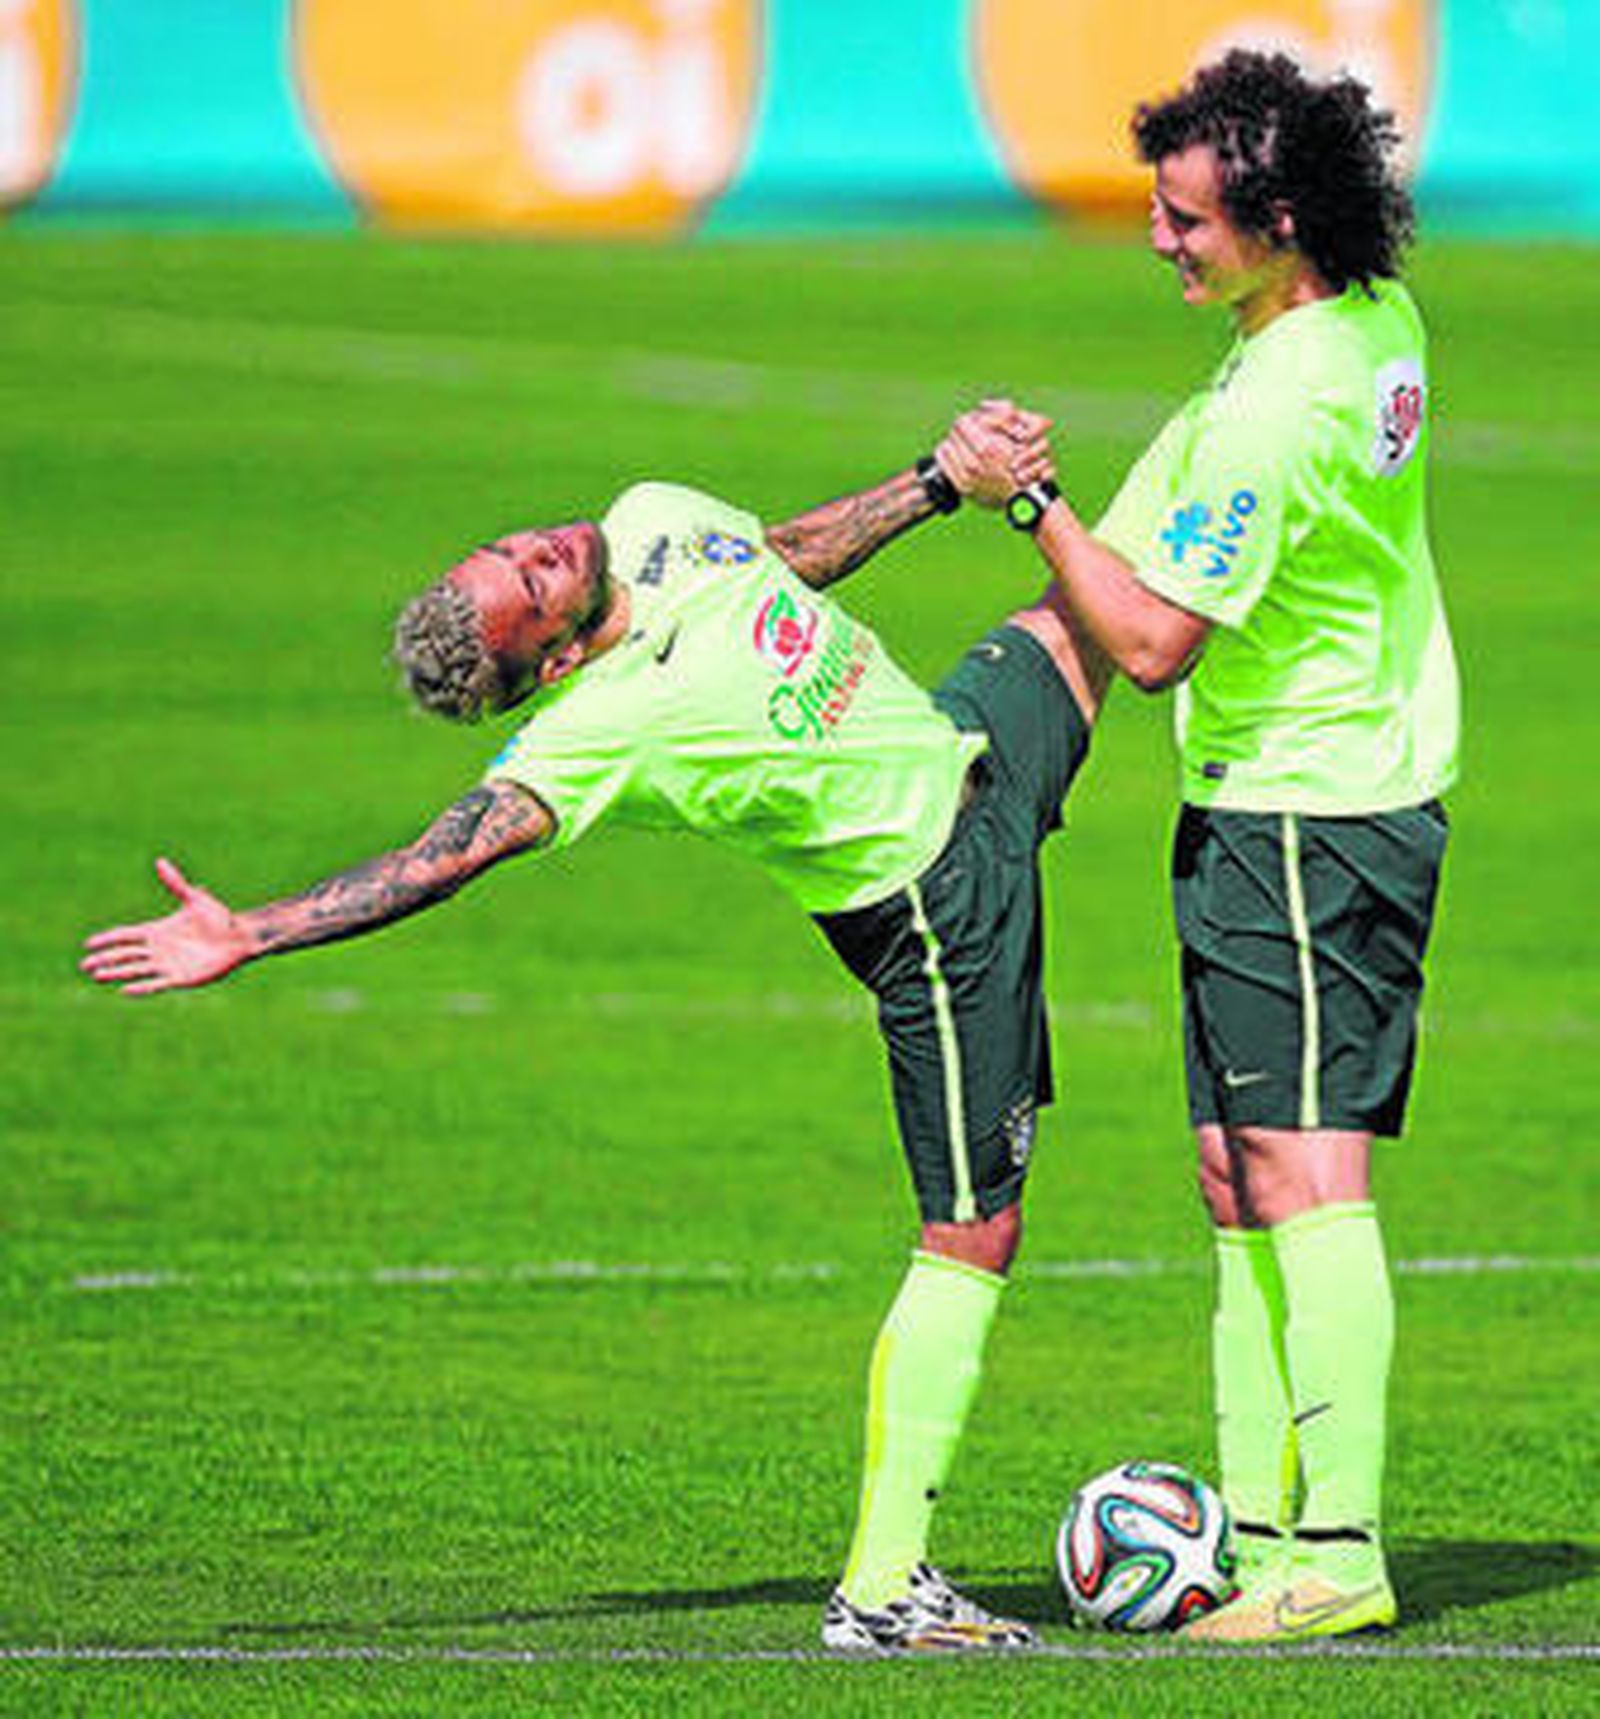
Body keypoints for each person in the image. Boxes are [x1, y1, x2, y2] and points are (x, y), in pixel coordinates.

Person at [81, 437, 1106, 1654]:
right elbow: (440, 856)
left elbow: (779, 560)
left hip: (964, 743)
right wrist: (246, 932)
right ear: (555, 655)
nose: (541, 548)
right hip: (937, 912)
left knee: (1110, 594)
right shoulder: (594, 729)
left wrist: (945, 481)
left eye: (511, 550)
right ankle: (884, 1589)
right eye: (528, 585)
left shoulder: (653, 513)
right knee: (975, 1230)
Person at [940, 50, 1459, 1642]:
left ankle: (1342, 1547)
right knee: (1236, 1174)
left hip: (1310, 815)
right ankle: (1255, 1520)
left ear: (1280, 217)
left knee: (1305, 1174)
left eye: (1183, 218)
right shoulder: (1354, 328)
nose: (1158, 240)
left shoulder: (1283, 406)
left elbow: (1154, 635)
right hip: (1288, 802)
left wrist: (1031, 504)